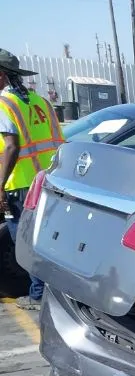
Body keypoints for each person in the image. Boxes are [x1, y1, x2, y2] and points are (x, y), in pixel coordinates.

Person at [0, 49, 65, 310]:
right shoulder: (40, 102)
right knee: (49, 241)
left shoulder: (4, 104)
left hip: (21, 186)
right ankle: (56, 293)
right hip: (49, 181)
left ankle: (38, 295)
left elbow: (11, 147)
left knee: (26, 244)